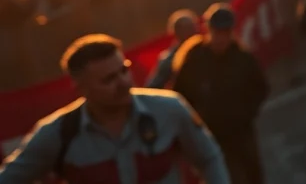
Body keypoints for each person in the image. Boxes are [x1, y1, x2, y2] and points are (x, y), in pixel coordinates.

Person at [0, 34, 229, 184]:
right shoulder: (57, 133)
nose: (123, 83)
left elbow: (209, 157)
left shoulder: (169, 108)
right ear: (81, 88)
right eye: (108, 79)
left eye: (124, 70)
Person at [172, 4, 268, 184]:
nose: (221, 38)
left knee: (252, 175)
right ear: (208, 29)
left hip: (241, 131)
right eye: (217, 31)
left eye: (225, 32)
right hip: (210, 135)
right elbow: (179, 95)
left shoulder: (242, 57)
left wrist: (247, 112)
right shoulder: (194, 57)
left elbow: (260, 88)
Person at [146, 10, 199, 89]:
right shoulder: (169, 59)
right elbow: (153, 87)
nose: (192, 31)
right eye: (186, 28)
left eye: (192, 27)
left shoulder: (208, 50)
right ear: (176, 32)